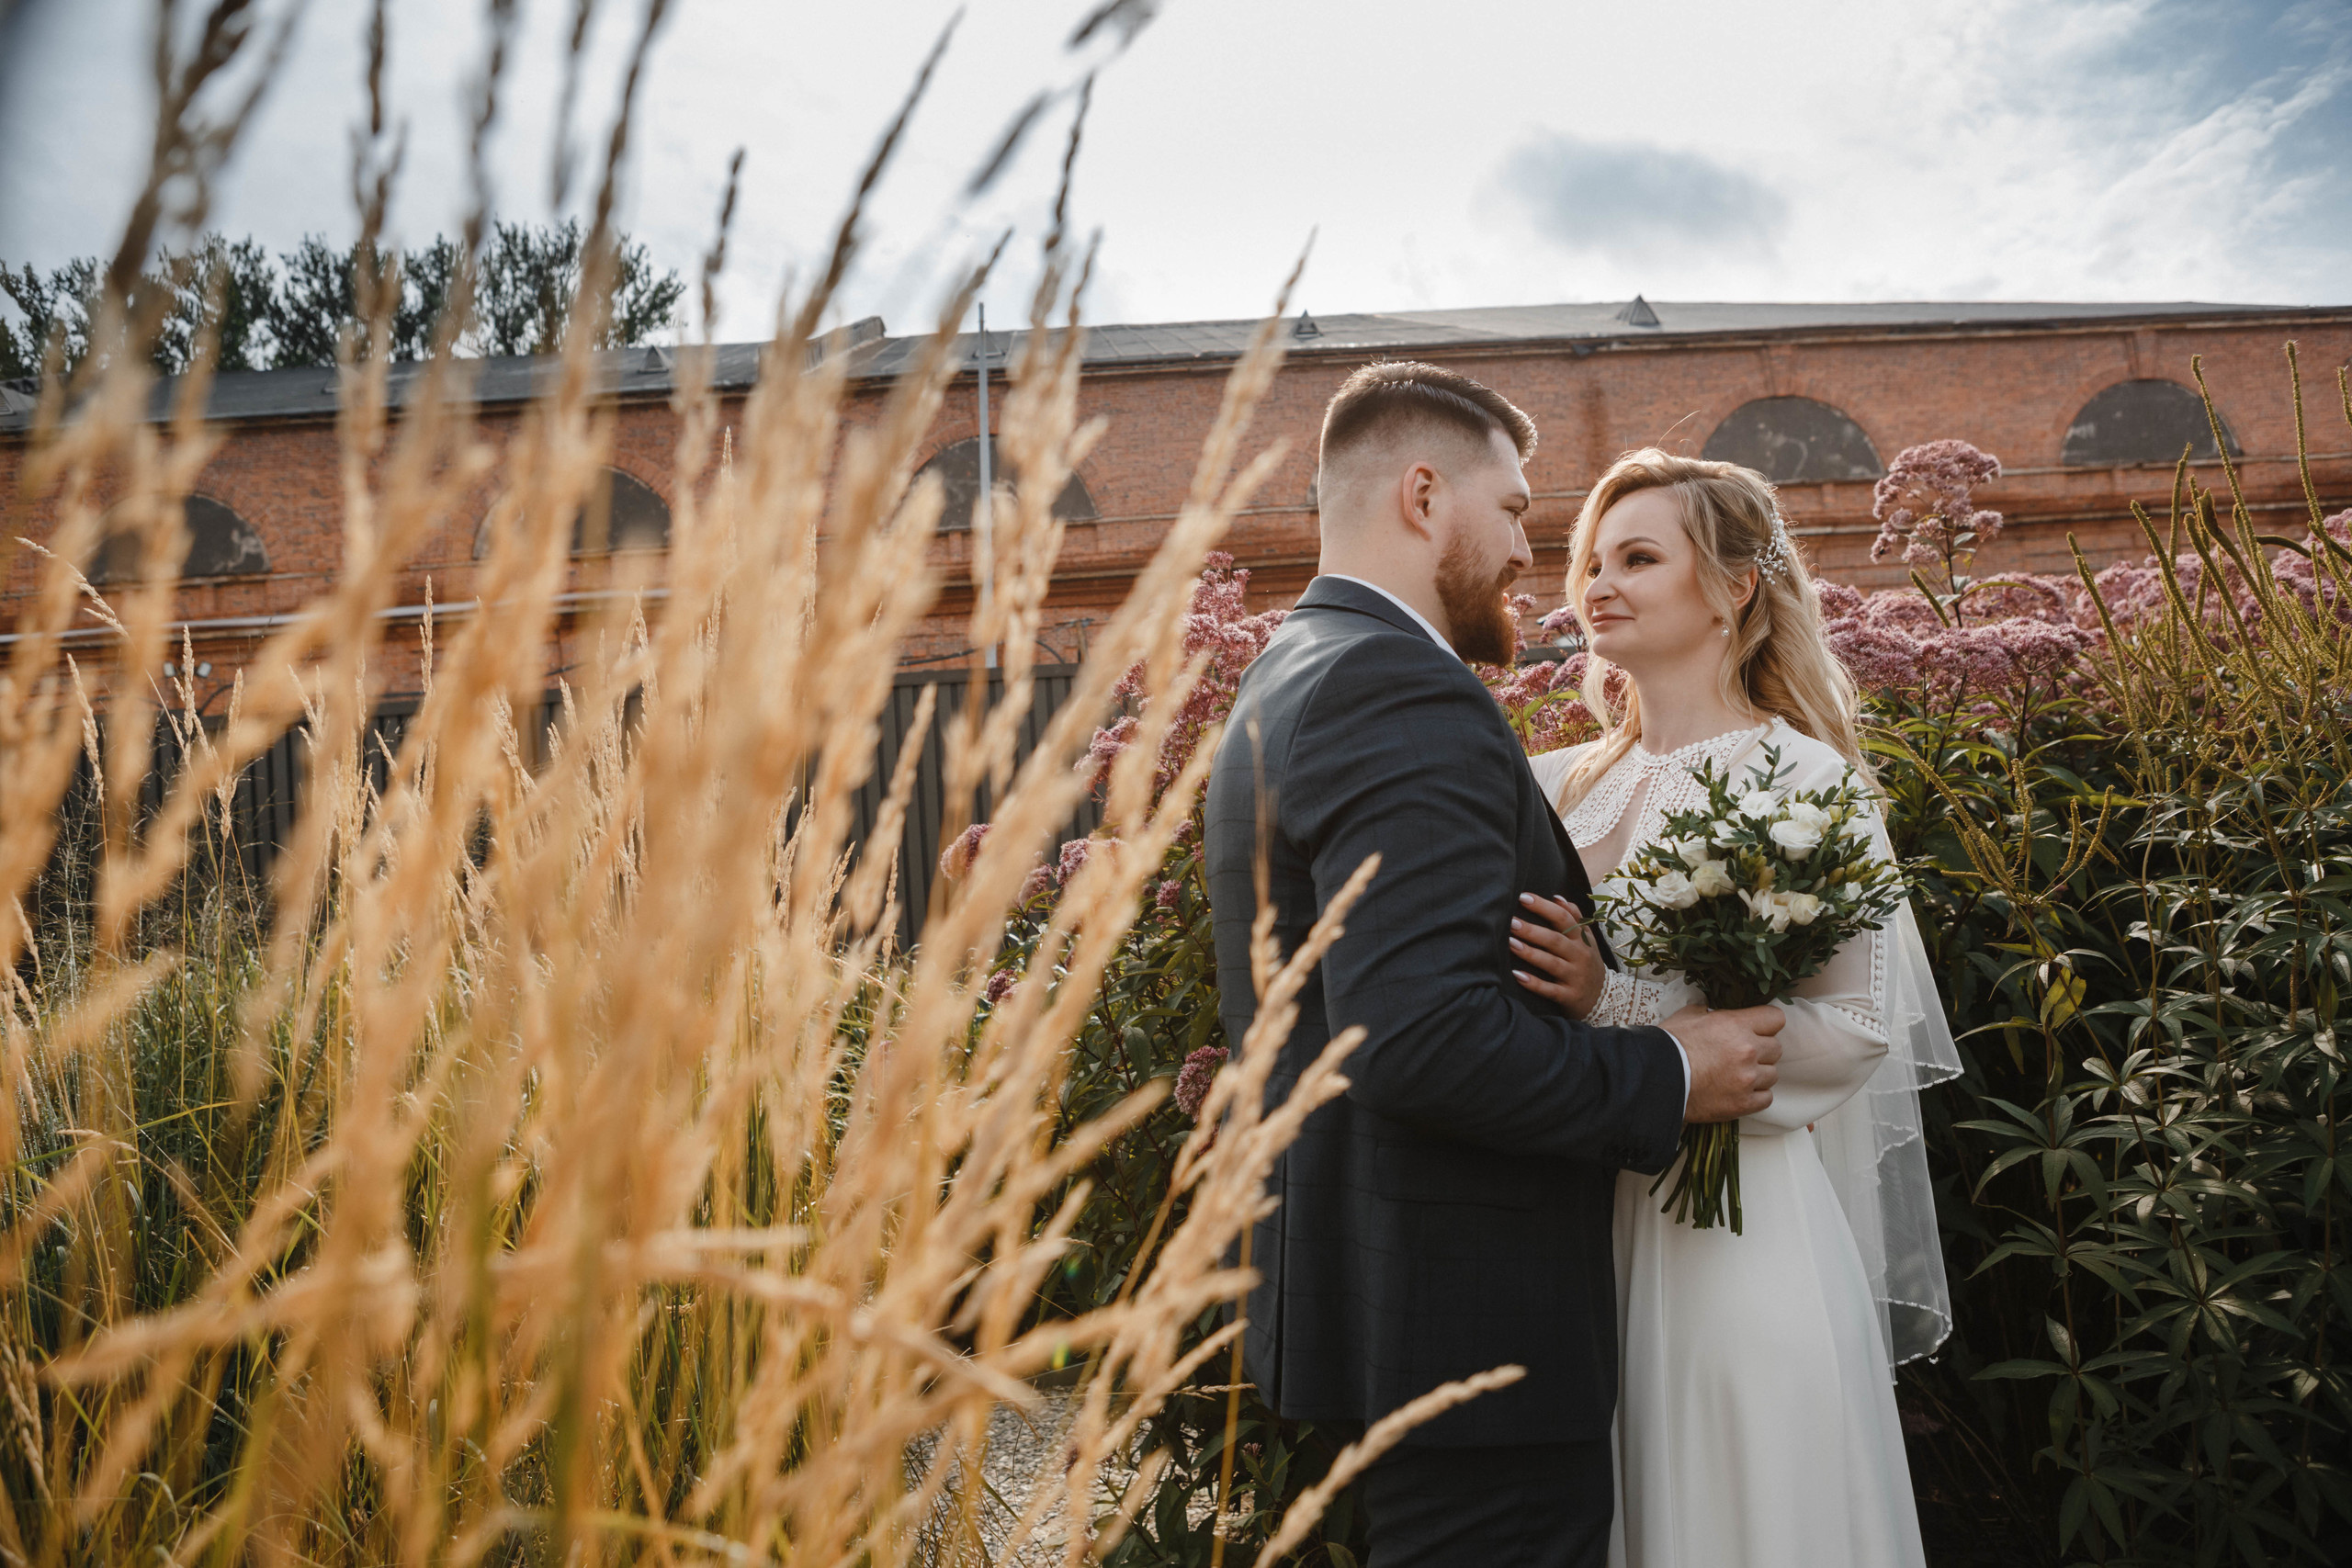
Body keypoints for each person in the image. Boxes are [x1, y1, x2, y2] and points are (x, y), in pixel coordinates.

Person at [1203, 363, 1787, 1568]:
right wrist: (1668, 1070)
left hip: (1394, 1317)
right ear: (1425, 495)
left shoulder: (1290, 666)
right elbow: (1418, 1035)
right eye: (1517, 509)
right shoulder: (1392, 684)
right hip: (1474, 1336)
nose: (1538, 547)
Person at [1507, 447, 1962, 1568]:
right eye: (1592, 562)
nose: (1597, 586)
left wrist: (1612, 1002)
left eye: (1640, 558)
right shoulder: (1554, 783)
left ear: (1732, 585)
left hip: (1737, 1226)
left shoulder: (1805, 780)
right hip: (1572, 1229)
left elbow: (1852, 1029)